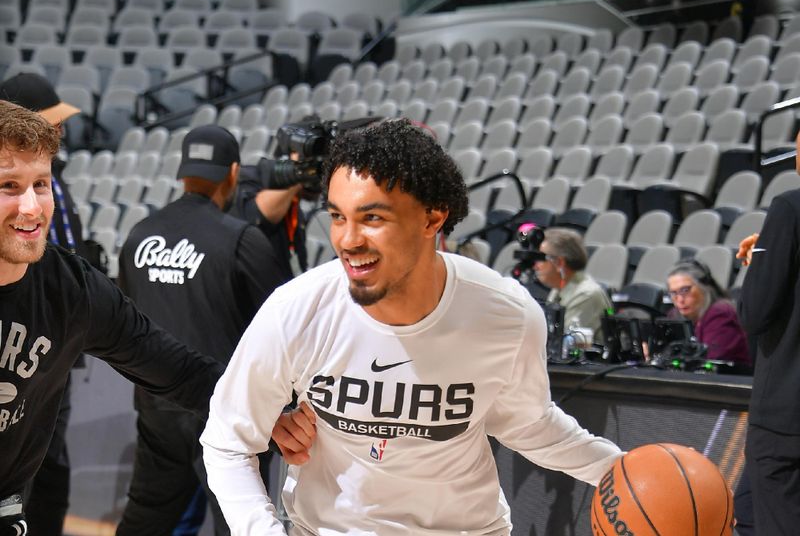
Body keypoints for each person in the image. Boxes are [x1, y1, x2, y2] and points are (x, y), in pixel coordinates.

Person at [200, 118, 623, 534]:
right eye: (337, 216)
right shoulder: (296, 308)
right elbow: (228, 441)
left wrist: (625, 471)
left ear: (432, 219)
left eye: (372, 219)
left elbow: (529, 424)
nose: (347, 240)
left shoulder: (507, 314)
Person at [0, 101, 311, 536]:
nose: (32, 207)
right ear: (233, 175)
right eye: (9, 186)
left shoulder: (72, 288)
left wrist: (262, 410)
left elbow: (170, 363)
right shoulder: (240, 239)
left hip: (17, 500)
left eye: (42, 184)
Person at [116, 125, 290, 534]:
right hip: (224, 409)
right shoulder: (242, 239)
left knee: (145, 518)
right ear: (232, 172)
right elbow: (284, 323)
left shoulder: (140, 235)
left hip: (156, 405)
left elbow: (126, 316)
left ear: (182, 172)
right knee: (236, 521)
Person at [0, 72, 99, 536]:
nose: (59, 131)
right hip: (35, 338)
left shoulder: (53, 180)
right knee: (35, 460)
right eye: (50, 121)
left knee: (48, 456)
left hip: (51, 337)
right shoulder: (43, 188)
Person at [736, 129, 800, 534]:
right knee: (747, 511)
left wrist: (760, 265)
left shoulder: (790, 207)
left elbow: (755, 313)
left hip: (787, 418)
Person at [534, 227, 612, 347]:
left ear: (559, 263)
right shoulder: (557, 290)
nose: (536, 266)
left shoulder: (586, 294)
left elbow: (561, 341)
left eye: (540, 259)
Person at [665, 259, 751, 367]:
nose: (680, 299)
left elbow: (710, 361)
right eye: (673, 293)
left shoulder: (721, 314)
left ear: (704, 287)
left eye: (685, 290)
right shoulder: (674, 315)